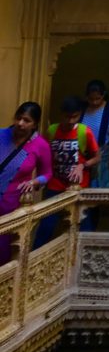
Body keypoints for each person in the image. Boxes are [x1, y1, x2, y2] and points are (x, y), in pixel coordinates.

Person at [32, 96, 100, 250]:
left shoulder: (84, 132)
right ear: (61, 114)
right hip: (55, 185)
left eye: (74, 117)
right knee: (46, 226)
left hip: (77, 187)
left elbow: (97, 157)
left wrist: (82, 166)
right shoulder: (52, 130)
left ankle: (86, 258)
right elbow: (45, 155)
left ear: (79, 115)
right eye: (67, 116)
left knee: (83, 225)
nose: (70, 121)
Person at [0, 102, 52, 265]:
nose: (21, 123)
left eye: (27, 120)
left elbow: (48, 174)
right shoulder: (1, 135)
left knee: (4, 248)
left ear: (35, 124)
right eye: (19, 118)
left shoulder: (40, 145)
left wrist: (35, 181)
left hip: (12, 205)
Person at [79, 80, 109, 231]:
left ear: (103, 95)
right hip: (82, 156)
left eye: (97, 99)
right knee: (80, 193)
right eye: (91, 99)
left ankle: (90, 230)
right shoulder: (82, 108)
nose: (94, 102)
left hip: (101, 156)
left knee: (96, 196)